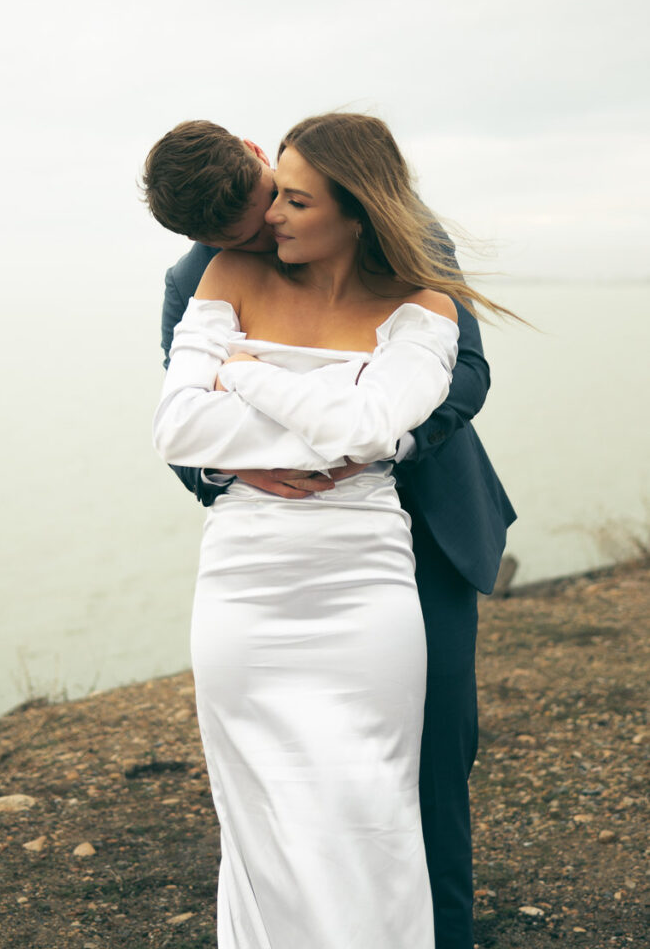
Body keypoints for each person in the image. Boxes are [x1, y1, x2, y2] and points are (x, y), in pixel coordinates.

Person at [145, 115, 516, 949]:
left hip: (421, 524)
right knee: (282, 775)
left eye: (269, 209)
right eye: (234, 239)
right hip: (273, 543)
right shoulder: (201, 271)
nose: (265, 239)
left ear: (256, 156)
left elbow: (467, 376)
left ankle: (438, 934)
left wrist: (380, 444)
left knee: (429, 757)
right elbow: (181, 420)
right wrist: (235, 469)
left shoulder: (399, 232)